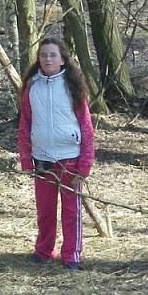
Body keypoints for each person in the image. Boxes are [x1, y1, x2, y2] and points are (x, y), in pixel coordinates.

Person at [17, 37, 95, 270]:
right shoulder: (32, 87)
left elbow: (86, 127)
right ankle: (43, 250)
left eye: (52, 55)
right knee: (45, 210)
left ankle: (71, 254)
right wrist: (25, 159)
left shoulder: (73, 87)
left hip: (70, 157)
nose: (47, 59)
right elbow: (24, 125)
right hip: (42, 159)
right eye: (43, 55)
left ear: (62, 59)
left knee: (71, 211)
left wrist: (84, 165)